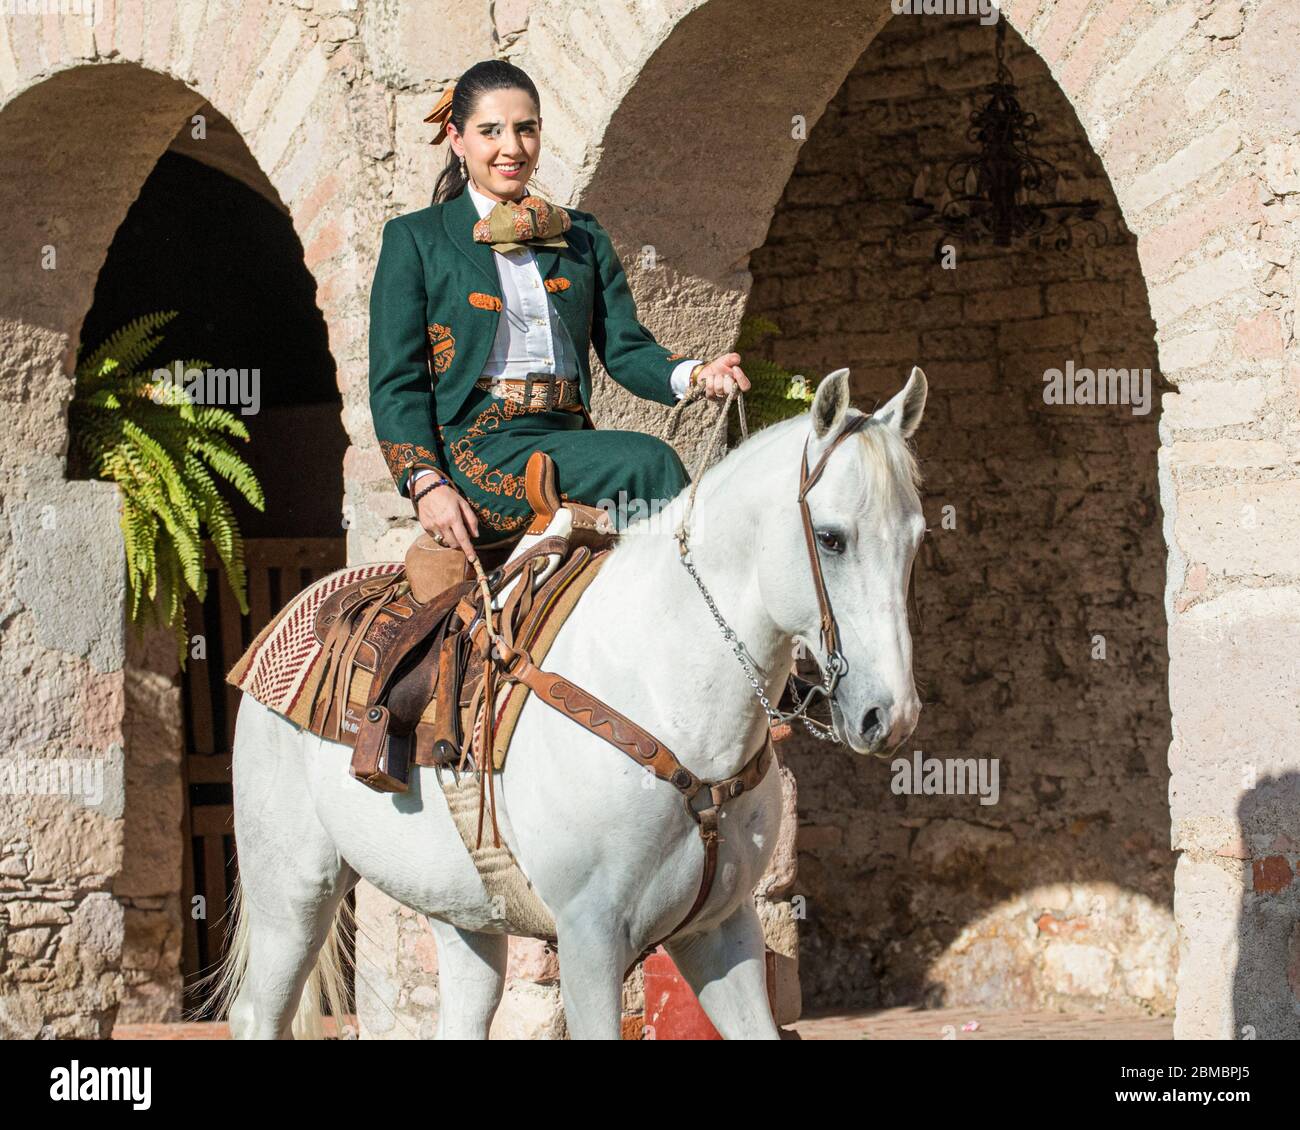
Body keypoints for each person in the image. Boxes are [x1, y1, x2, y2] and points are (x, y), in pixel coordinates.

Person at [368, 59, 749, 562]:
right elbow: (397, 382)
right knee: (646, 461)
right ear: (457, 139)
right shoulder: (415, 239)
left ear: (541, 132)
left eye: (526, 129)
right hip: (481, 450)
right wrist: (424, 483)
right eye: (491, 132)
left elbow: (625, 348)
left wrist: (696, 374)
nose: (512, 147)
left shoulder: (582, 235)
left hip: (567, 441)